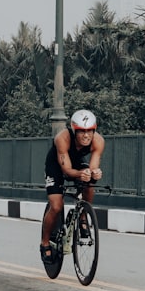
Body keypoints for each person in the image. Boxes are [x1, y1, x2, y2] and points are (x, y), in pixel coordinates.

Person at [40, 109, 105, 263]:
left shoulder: (99, 141)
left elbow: (93, 166)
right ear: (74, 130)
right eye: (82, 131)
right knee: (56, 206)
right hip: (57, 165)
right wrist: (78, 174)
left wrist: (94, 173)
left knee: (89, 180)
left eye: (90, 131)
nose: (86, 135)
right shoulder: (62, 138)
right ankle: (44, 243)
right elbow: (67, 170)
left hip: (76, 162)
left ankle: (83, 217)